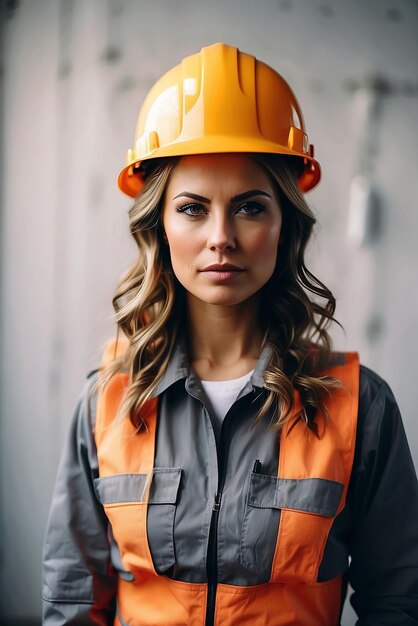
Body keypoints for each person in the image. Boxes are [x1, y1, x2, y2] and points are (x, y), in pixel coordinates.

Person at [42, 42, 418, 625]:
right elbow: (71, 602)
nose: (221, 236)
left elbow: (398, 601)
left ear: (284, 224)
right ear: (159, 226)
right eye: (192, 208)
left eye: (249, 207)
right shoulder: (107, 404)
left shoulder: (360, 406)